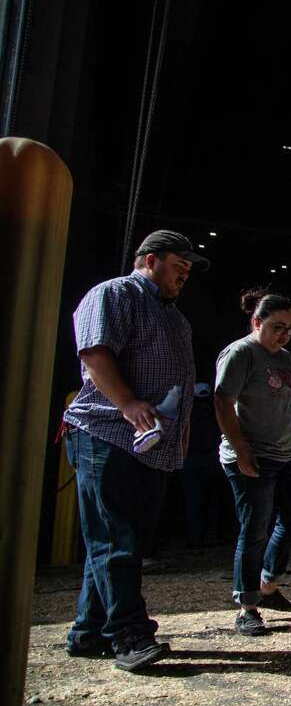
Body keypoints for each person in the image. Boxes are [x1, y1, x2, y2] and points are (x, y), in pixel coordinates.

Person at [61, 229, 208, 671]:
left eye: (188, 269)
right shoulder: (115, 294)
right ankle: (129, 634)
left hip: (150, 444)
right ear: (150, 260)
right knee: (116, 537)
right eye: (178, 266)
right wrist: (127, 403)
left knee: (112, 539)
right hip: (106, 433)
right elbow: (93, 352)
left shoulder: (175, 317)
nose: (185, 275)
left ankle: (88, 632)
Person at [214, 289, 291, 637]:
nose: (284, 334)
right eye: (277, 327)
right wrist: (242, 450)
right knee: (255, 529)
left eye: (290, 328)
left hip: (284, 453)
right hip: (251, 456)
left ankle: (267, 584)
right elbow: (221, 401)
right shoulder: (240, 354)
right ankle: (247, 607)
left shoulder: (287, 359)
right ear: (256, 321)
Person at [181, 381, 228, 551]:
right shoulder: (218, 413)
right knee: (214, 500)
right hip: (212, 459)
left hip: (193, 460)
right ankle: (212, 535)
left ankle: (196, 538)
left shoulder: (187, 414)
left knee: (194, 501)